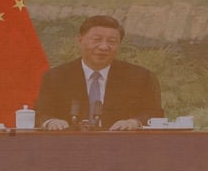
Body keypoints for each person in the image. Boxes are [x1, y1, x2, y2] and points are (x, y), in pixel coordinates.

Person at [34, 15, 163, 131]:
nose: (104, 47)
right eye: (97, 39)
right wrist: (50, 121)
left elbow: (155, 113)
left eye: (111, 42)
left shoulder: (140, 77)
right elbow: (41, 113)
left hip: (121, 145)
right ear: (80, 40)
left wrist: (134, 122)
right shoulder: (56, 76)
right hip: (70, 146)